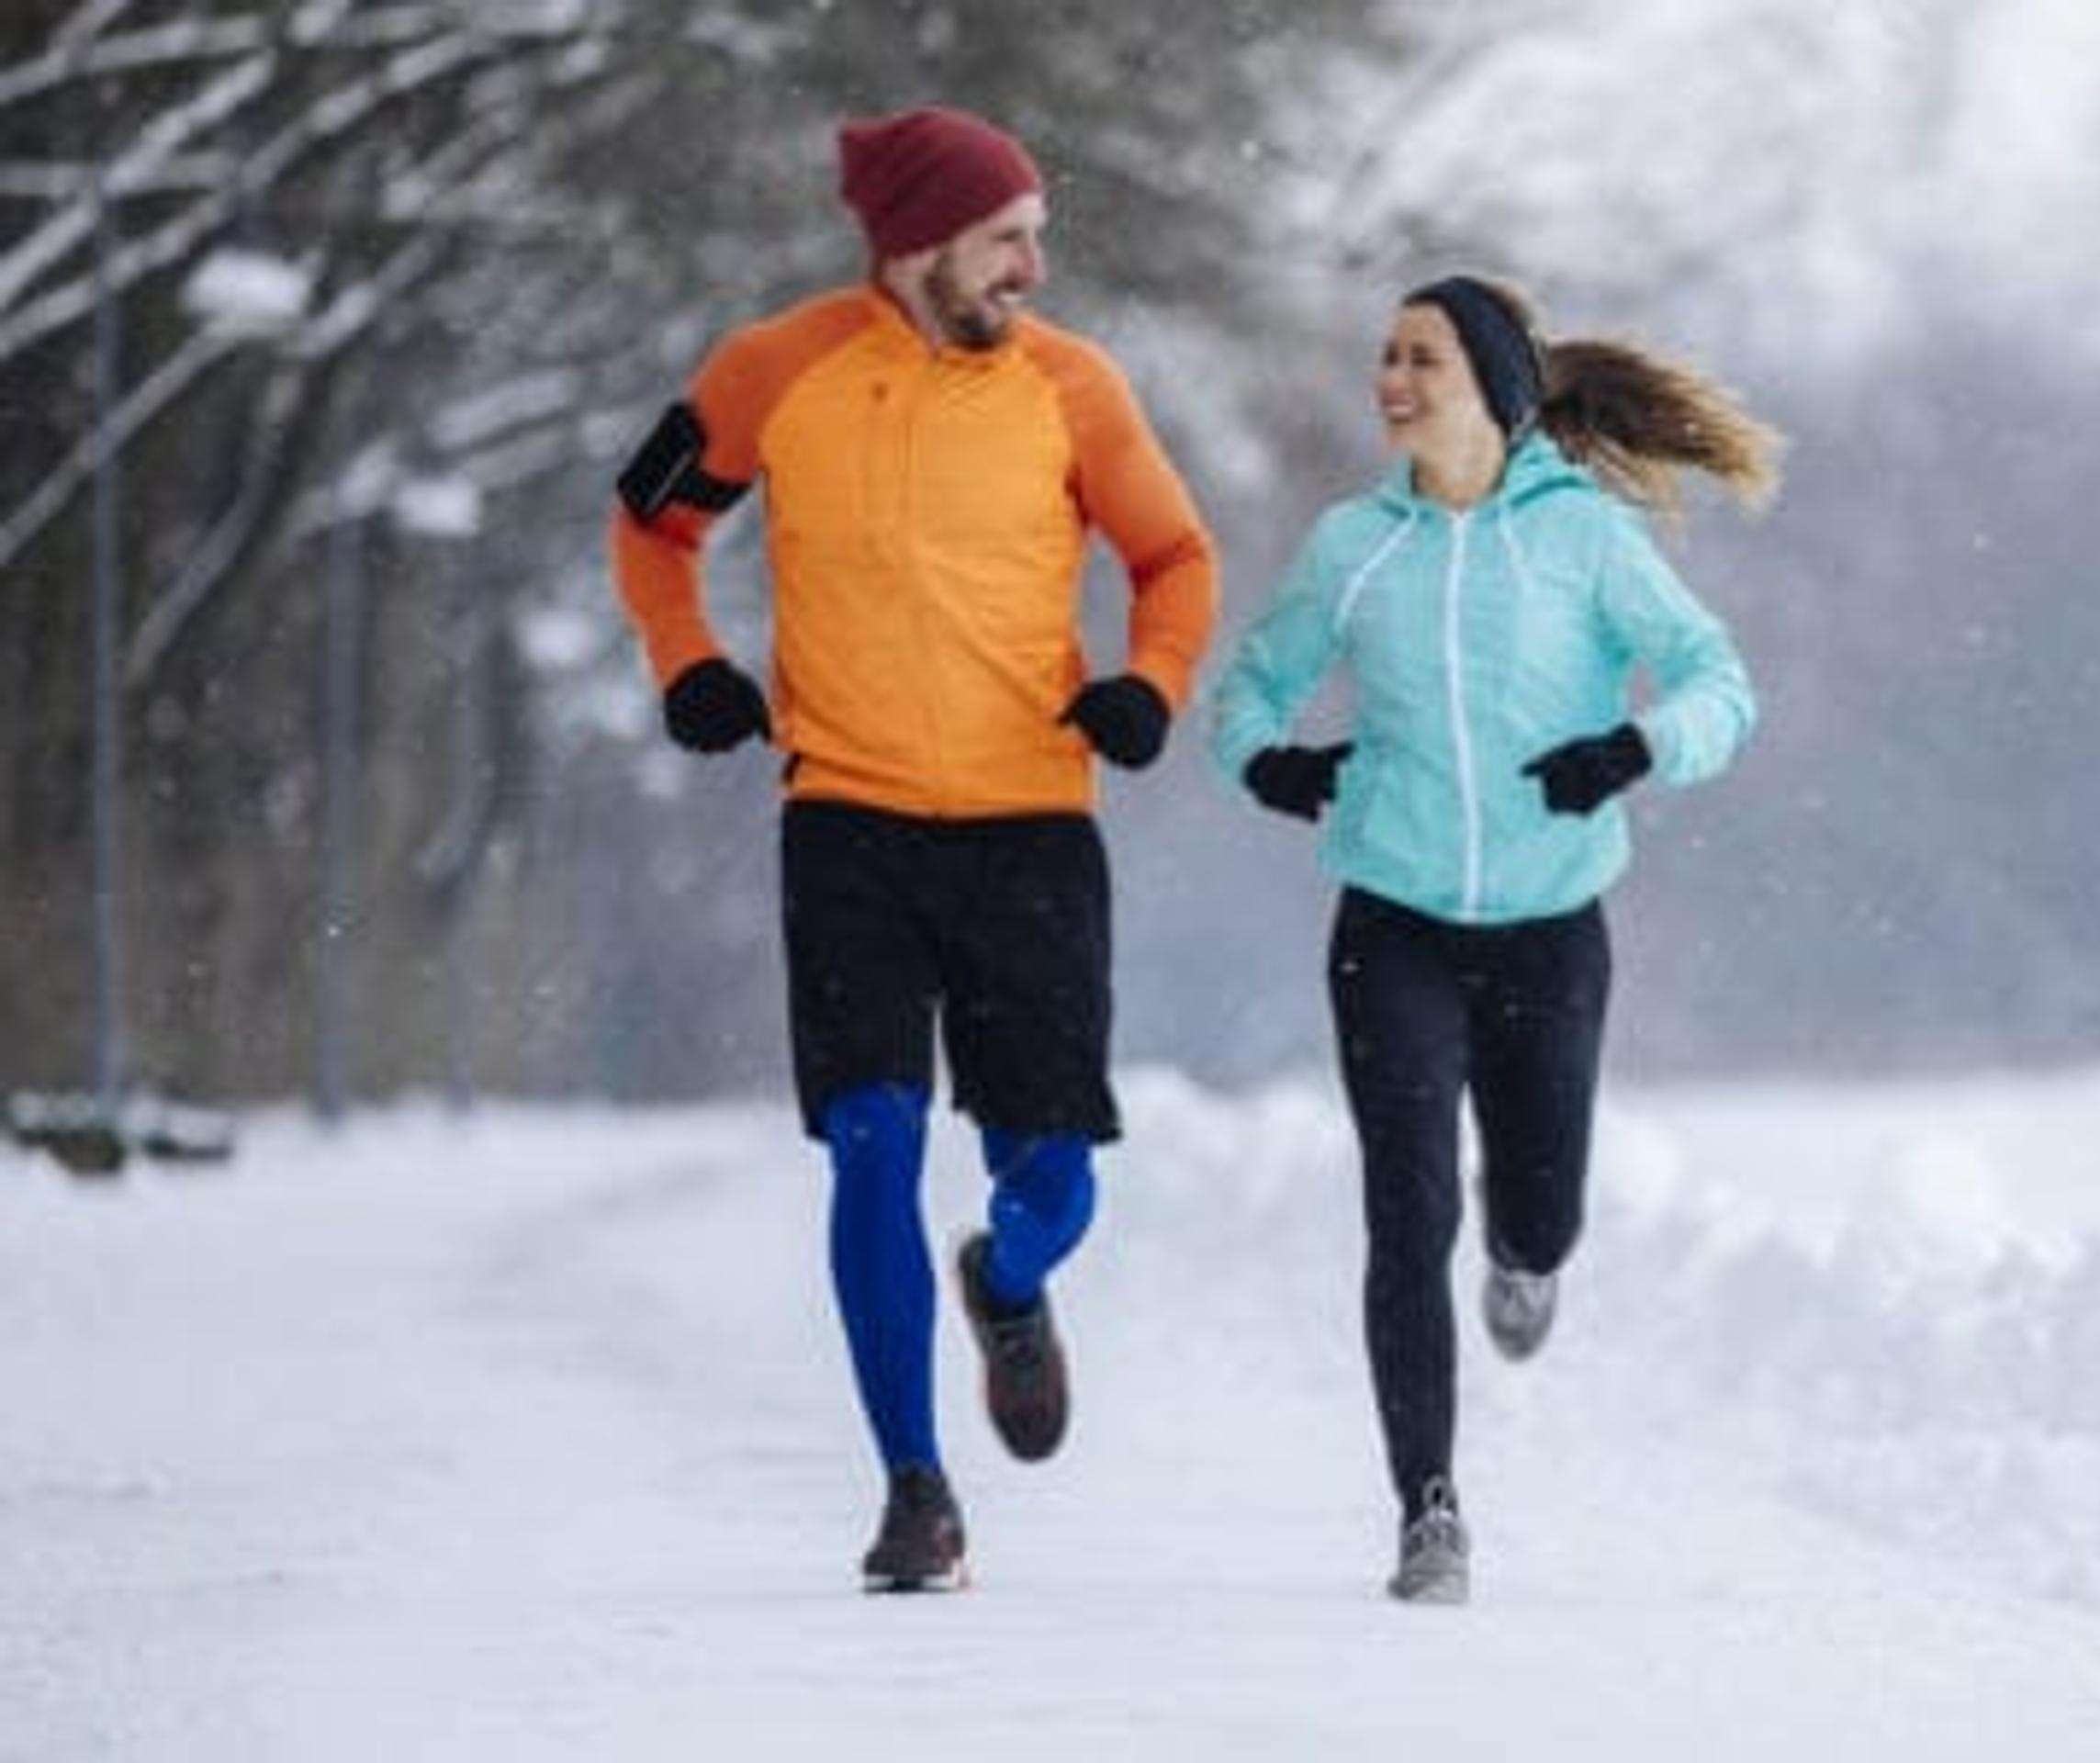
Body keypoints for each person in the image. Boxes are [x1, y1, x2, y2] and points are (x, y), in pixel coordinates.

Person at [607, 106, 1220, 1593]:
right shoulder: (775, 371)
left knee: (1053, 1180)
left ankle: (1005, 1280)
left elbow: (1174, 558)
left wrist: (1149, 685)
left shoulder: (1074, 387)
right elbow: (649, 522)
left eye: (1035, 237)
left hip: (1032, 828)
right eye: (1006, 238)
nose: (1033, 266)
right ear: (919, 243)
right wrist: (688, 662)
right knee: (871, 1144)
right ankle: (914, 1489)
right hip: (849, 822)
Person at [1206, 274, 1778, 1604]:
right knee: (1408, 1214)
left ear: (1496, 389)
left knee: (1539, 1206)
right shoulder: (1355, 545)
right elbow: (1253, 689)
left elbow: (1721, 683)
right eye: (1387, 356)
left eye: (1424, 359)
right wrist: (1268, 764)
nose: (1392, 381)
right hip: (1393, 924)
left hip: (1549, 929)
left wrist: (1635, 747)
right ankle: (1429, 1509)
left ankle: (1530, 1256)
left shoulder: (1585, 538)